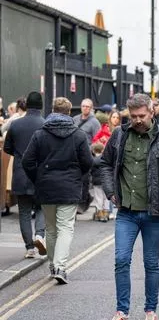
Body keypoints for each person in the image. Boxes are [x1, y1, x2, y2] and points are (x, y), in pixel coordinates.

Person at [100, 93, 159, 320]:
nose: (138, 120)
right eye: (134, 116)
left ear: (151, 112)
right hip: (126, 211)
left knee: (151, 263)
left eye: (142, 115)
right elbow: (105, 164)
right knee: (121, 260)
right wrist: (110, 191)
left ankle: (150, 311)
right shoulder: (119, 135)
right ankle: (122, 313)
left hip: (155, 212)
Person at [22, 97, 93, 284]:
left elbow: (27, 161)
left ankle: (53, 265)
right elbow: (88, 162)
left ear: (52, 109)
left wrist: (38, 178)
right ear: (69, 112)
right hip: (69, 187)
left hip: (46, 187)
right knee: (66, 228)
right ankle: (60, 267)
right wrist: (77, 175)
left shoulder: (40, 134)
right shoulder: (78, 135)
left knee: (51, 229)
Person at [3, 92, 46, 258]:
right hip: (40, 175)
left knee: (24, 212)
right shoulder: (45, 124)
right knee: (41, 208)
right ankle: (39, 236)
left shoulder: (15, 125)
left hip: (21, 174)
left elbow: (7, 149)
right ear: (41, 106)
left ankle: (29, 248)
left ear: (26, 105)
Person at [90, 142, 110, 222]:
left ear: (94, 151)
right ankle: (106, 212)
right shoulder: (106, 159)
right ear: (102, 150)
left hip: (96, 181)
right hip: (105, 180)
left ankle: (100, 212)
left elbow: (90, 171)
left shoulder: (93, 160)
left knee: (98, 197)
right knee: (106, 197)